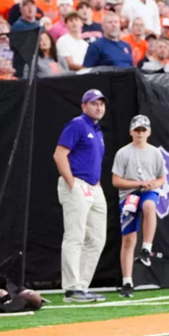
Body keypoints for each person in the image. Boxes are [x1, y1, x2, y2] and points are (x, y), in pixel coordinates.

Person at [53, 89, 109, 303]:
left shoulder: (97, 130)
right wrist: (72, 183)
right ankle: (71, 288)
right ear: (84, 105)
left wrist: (96, 184)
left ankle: (82, 286)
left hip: (94, 186)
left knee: (96, 239)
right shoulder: (77, 124)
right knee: (75, 236)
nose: (99, 107)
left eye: (101, 104)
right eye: (94, 103)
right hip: (77, 183)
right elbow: (59, 155)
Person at [111, 115, 167, 298]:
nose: (140, 133)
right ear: (131, 132)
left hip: (147, 191)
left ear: (149, 132)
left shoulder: (155, 153)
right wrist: (137, 184)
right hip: (129, 195)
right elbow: (116, 180)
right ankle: (127, 281)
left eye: (143, 130)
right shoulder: (123, 153)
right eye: (137, 130)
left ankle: (147, 247)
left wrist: (152, 184)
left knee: (150, 205)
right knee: (128, 238)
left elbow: (162, 178)